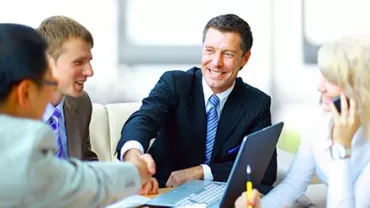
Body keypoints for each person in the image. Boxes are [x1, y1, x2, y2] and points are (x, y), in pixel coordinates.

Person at [116, 13, 277, 195]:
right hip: (164, 191)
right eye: (209, 50)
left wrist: (201, 172)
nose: (216, 62)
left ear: (245, 58)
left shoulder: (257, 103)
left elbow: (265, 170)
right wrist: (133, 155)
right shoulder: (175, 83)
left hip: (218, 197)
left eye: (228, 54)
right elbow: (144, 119)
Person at [0, 23, 155, 207]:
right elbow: (75, 182)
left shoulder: (80, 105)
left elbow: (82, 165)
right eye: (47, 86)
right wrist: (135, 172)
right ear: (25, 93)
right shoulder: (23, 147)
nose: (89, 72)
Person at [235, 35, 370, 208]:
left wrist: (341, 148)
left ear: (360, 87)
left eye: (331, 79)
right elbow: (294, 184)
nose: (319, 87)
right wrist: (260, 206)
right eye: (321, 76)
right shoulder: (322, 120)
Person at [36, 16, 97, 160]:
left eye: (89, 61)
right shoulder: (10, 109)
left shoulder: (81, 102)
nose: (89, 71)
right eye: (78, 62)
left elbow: (86, 161)